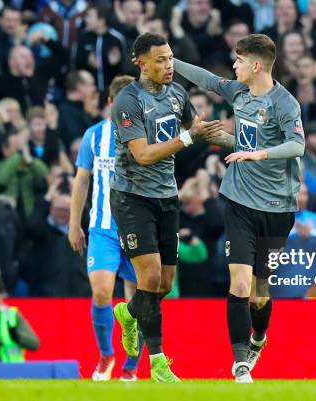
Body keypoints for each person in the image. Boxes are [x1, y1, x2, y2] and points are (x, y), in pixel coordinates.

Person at [174, 33, 306, 382]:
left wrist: (257, 154)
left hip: (277, 208)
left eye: (239, 61)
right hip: (238, 202)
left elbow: (297, 145)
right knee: (241, 284)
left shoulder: (284, 104)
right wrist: (170, 62)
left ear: (256, 64)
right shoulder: (238, 92)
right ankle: (240, 362)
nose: (234, 66)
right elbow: (207, 79)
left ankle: (258, 337)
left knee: (260, 295)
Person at [108, 33, 222, 382]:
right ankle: (158, 364)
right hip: (131, 198)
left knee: (165, 284)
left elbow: (199, 129)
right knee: (152, 276)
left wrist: (253, 149)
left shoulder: (177, 94)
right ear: (140, 62)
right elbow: (142, 156)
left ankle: (128, 314)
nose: (169, 65)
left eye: (170, 58)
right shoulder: (127, 102)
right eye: (160, 59)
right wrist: (190, 137)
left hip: (166, 197)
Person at [68, 75, 143, 382]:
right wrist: (75, 224)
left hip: (138, 229)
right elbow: (81, 180)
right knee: (101, 293)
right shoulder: (94, 136)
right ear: (111, 103)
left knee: (137, 303)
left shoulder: (148, 136)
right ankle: (105, 354)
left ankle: (131, 366)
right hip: (103, 229)